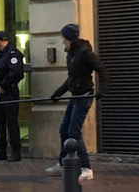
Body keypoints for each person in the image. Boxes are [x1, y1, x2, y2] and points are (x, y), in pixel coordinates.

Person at [46, 24, 108, 182]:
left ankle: (86, 168)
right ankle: (63, 163)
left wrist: (103, 90)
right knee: (64, 129)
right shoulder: (71, 53)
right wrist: (58, 93)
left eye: (63, 38)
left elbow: (102, 69)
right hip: (75, 96)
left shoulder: (85, 53)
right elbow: (71, 78)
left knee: (74, 132)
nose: (62, 41)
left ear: (69, 38)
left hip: (84, 96)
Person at [0, 31, 25, 162]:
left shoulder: (12, 54)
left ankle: (15, 151)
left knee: (11, 122)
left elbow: (16, 72)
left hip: (9, 92)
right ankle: (0, 150)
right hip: (0, 92)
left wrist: (3, 85)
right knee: (0, 121)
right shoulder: (1, 55)